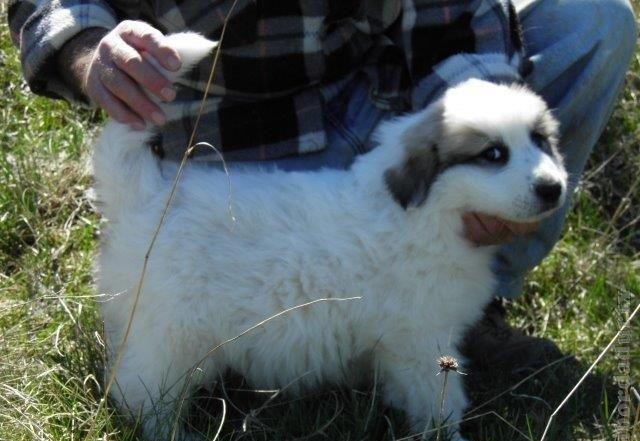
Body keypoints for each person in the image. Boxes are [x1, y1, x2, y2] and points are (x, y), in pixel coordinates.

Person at [7, 0, 637, 366]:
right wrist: (92, 52)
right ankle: (225, 339)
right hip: (218, 152)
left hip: (370, 118)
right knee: (199, 303)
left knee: (590, 21)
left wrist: (490, 134)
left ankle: (458, 310)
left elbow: (452, 15)